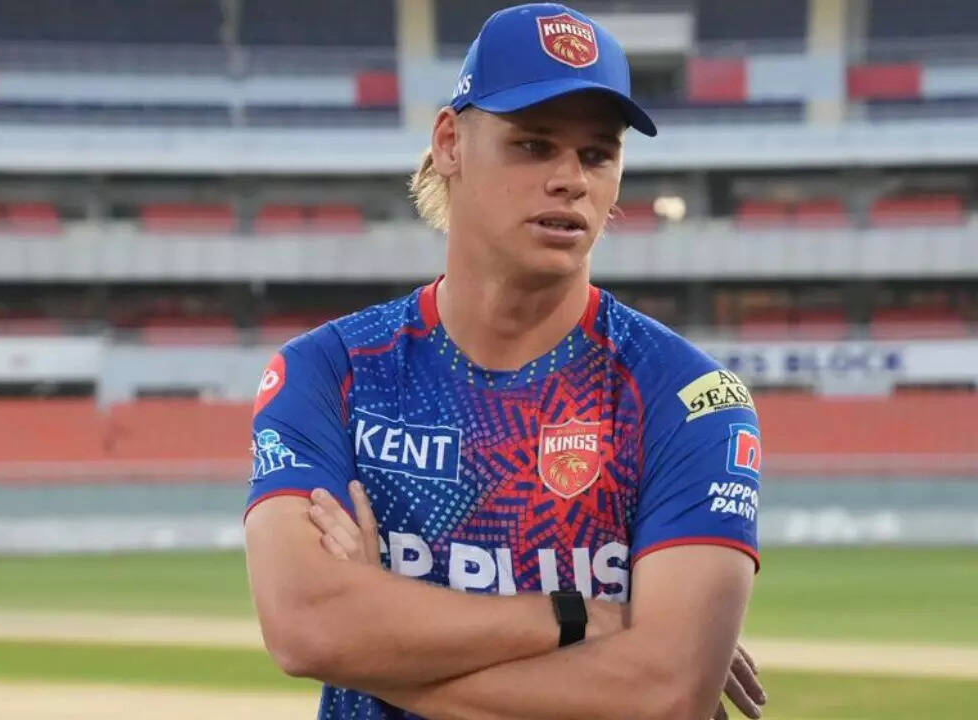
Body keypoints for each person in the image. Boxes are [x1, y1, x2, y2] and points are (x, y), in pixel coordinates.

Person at [243, 4, 766, 719]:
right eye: (533, 145)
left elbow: (663, 695)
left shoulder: (691, 397)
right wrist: (577, 617)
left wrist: (372, 641)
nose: (571, 179)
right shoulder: (330, 373)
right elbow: (306, 628)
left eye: (597, 154)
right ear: (450, 143)